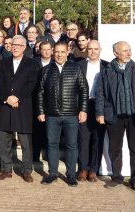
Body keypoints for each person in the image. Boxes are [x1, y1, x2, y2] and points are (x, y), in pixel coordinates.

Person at [96, 41, 135, 191]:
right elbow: (100, 93)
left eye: (129, 50)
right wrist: (100, 113)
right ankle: (116, 177)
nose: (129, 53)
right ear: (116, 53)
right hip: (114, 116)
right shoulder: (106, 71)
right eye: (125, 51)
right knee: (114, 149)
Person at [37, 42, 89, 187]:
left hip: (71, 114)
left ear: (67, 52)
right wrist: (41, 111)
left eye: (62, 52)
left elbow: (84, 90)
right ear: (53, 52)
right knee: (52, 144)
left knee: (72, 145)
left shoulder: (76, 68)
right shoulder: (46, 70)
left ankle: (71, 175)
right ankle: (53, 173)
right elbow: (40, 92)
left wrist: (83, 109)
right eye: (57, 52)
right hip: (51, 115)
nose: (59, 55)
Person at [0, 35, 39, 182]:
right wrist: (7, 98)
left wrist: (17, 97)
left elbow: (31, 84)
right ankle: (6, 169)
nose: (15, 47)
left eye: (18, 45)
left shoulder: (31, 64)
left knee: (25, 141)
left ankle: (26, 170)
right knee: (4, 139)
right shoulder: (4, 63)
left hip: (23, 105)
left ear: (24, 47)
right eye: (13, 45)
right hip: (5, 105)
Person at [77, 40, 108, 182]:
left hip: (100, 106)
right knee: (83, 138)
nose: (93, 51)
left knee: (98, 138)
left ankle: (93, 170)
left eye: (96, 49)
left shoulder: (107, 66)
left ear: (100, 50)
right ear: (86, 50)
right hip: (84, 105)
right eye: (90, 49)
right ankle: (83, 168)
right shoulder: (79, 65)